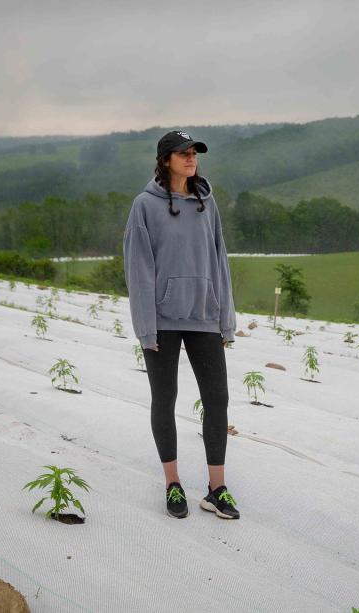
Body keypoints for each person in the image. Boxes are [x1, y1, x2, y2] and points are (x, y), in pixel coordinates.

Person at [123, 130, 240, 520]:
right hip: (163, 320)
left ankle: (216, 488)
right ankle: (173, 484)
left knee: (217, 400)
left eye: (195, 153)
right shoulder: (145, 206)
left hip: (204, 314)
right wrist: (146, 328)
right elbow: (138, 269)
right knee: (166, 399)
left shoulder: (208, 203)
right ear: (165, 160)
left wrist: (226, 319)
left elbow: (219, 258)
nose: (191, 158)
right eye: (183, 153)